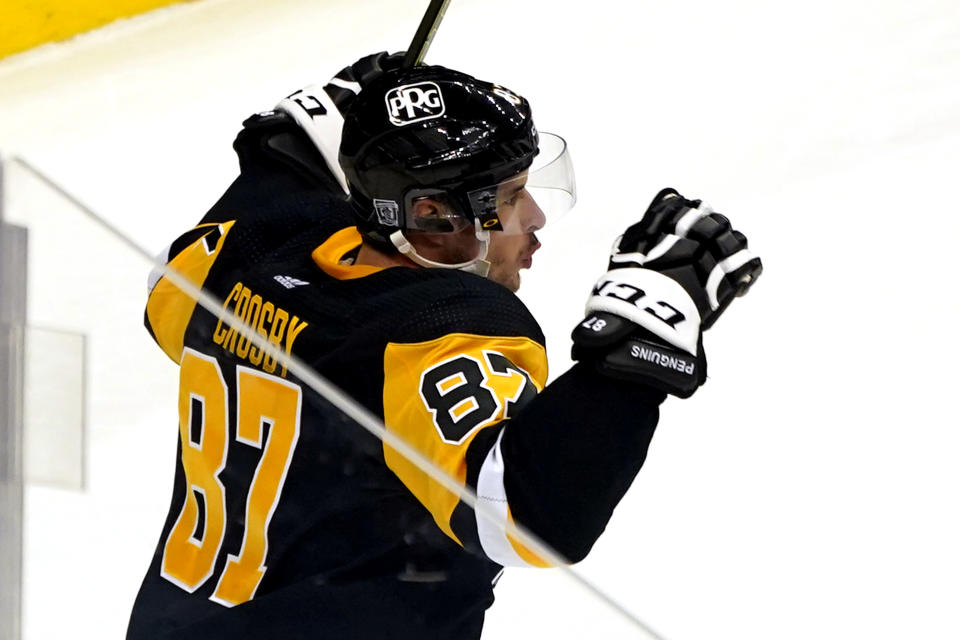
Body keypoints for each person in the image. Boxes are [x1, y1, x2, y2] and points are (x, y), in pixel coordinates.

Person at [127, 53, 761, 639]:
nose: (534, 217)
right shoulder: (431, 332)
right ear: (431, 216)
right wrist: (638, 342)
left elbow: (171, 291)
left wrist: (297, 140)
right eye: (511, 198)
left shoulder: (246, 260)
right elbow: (526, 518)